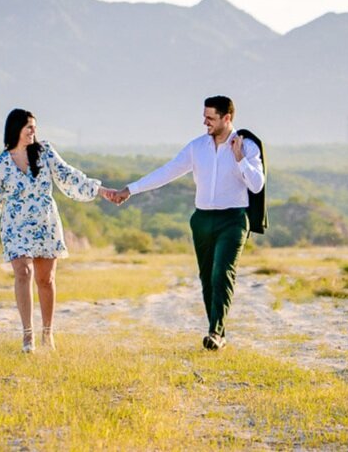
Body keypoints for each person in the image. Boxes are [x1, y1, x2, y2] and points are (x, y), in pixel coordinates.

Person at [108, 95, 264, 351]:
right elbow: (167, 171)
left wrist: (239, 158)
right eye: (204, 117)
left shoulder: (246, 146)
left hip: (233, 219)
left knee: (221, 272)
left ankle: (214, 332)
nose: (205, 122)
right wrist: (130, 189)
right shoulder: (197, 147)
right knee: (206, 278)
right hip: (202, 219)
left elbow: (257, 185)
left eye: (211, 118)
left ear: (228, 118)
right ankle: (218, 334)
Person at [0, 108, 112, 352]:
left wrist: (99, 190)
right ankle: (28, 336)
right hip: (15, 224)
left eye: (35, 127)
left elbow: (69, 176)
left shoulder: (44, 152)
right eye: (29, 127)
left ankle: (48, 333)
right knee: (22, 272)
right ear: (16, 129)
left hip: (45, 223)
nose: (33, 131)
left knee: (45, 280)